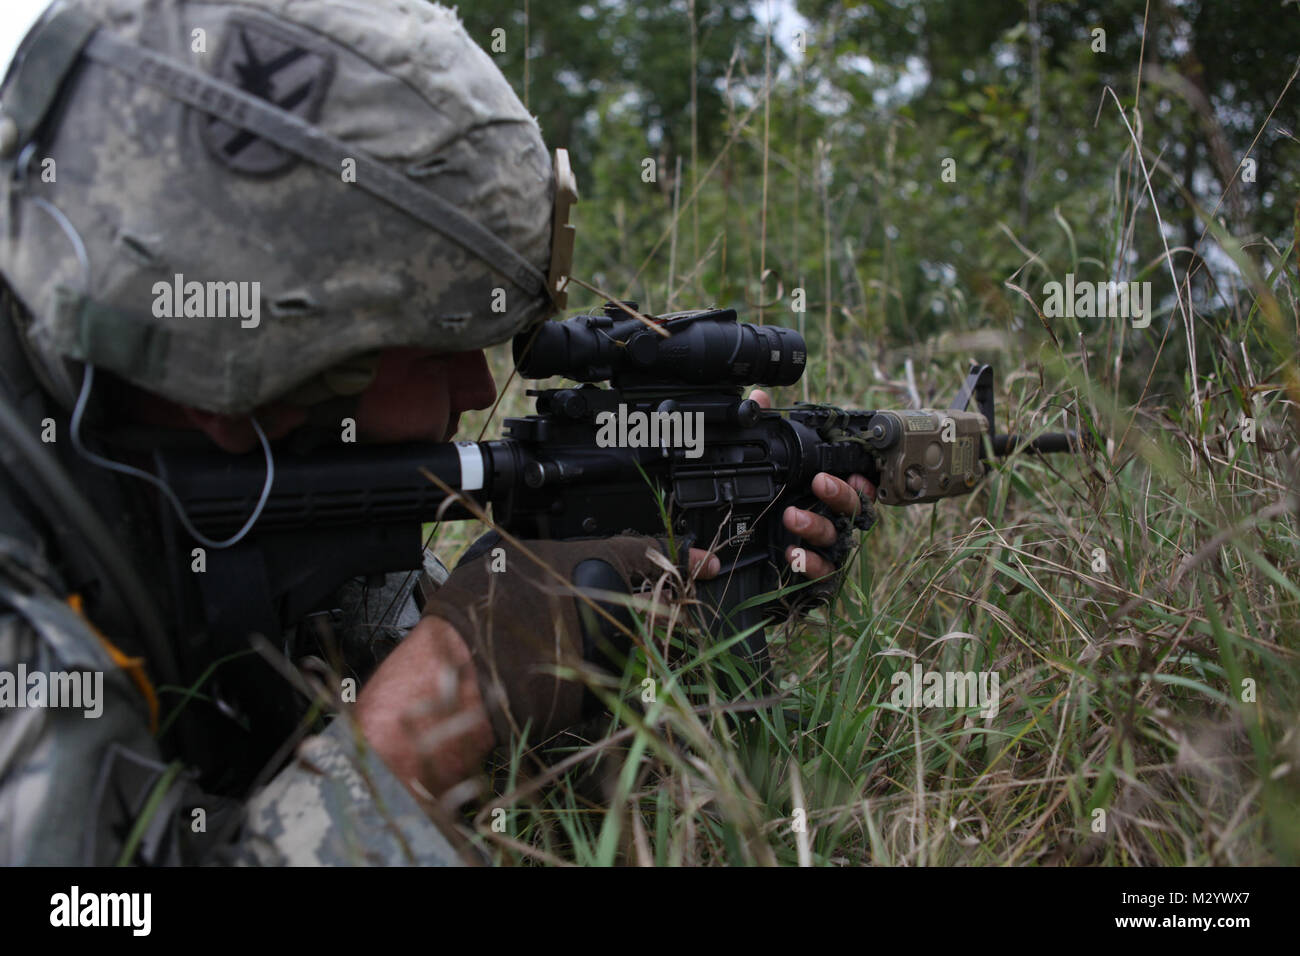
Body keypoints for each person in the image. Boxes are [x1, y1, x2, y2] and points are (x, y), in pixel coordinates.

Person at [0, 0, 871, 865]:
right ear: (234, 381)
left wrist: (705, 584)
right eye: (437, 347)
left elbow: (522, 775)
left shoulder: (255, 494)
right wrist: (435, 709)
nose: (479, 385)